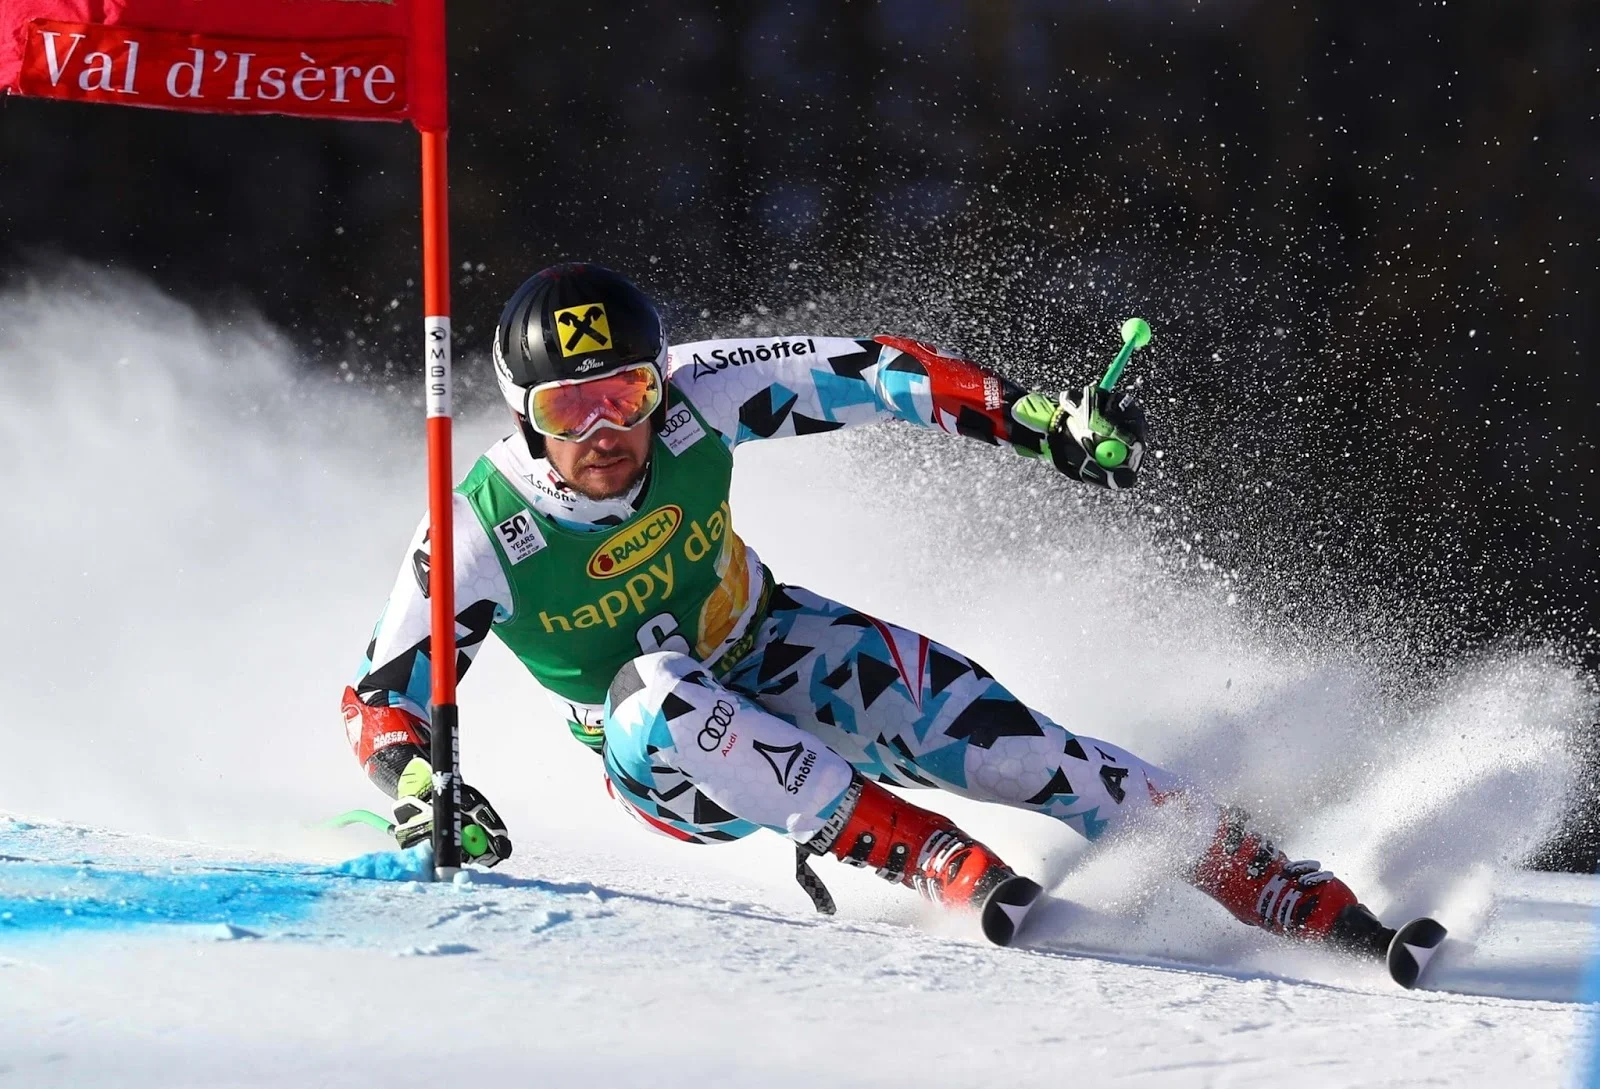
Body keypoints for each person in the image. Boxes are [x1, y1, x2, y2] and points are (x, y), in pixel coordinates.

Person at [342, 262, 1393, 950]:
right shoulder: (481, 526)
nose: (608, 430)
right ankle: (928, 855)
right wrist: (423, 786)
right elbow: (384, 699)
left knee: (1013, 749)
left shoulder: (700, 399)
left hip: (772, 643)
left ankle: (1265, 880)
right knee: (659, 693)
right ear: (524, 420)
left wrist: (1043, 427)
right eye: (571, 408)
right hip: (665, 766)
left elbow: (874, 373)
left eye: (626, 393)